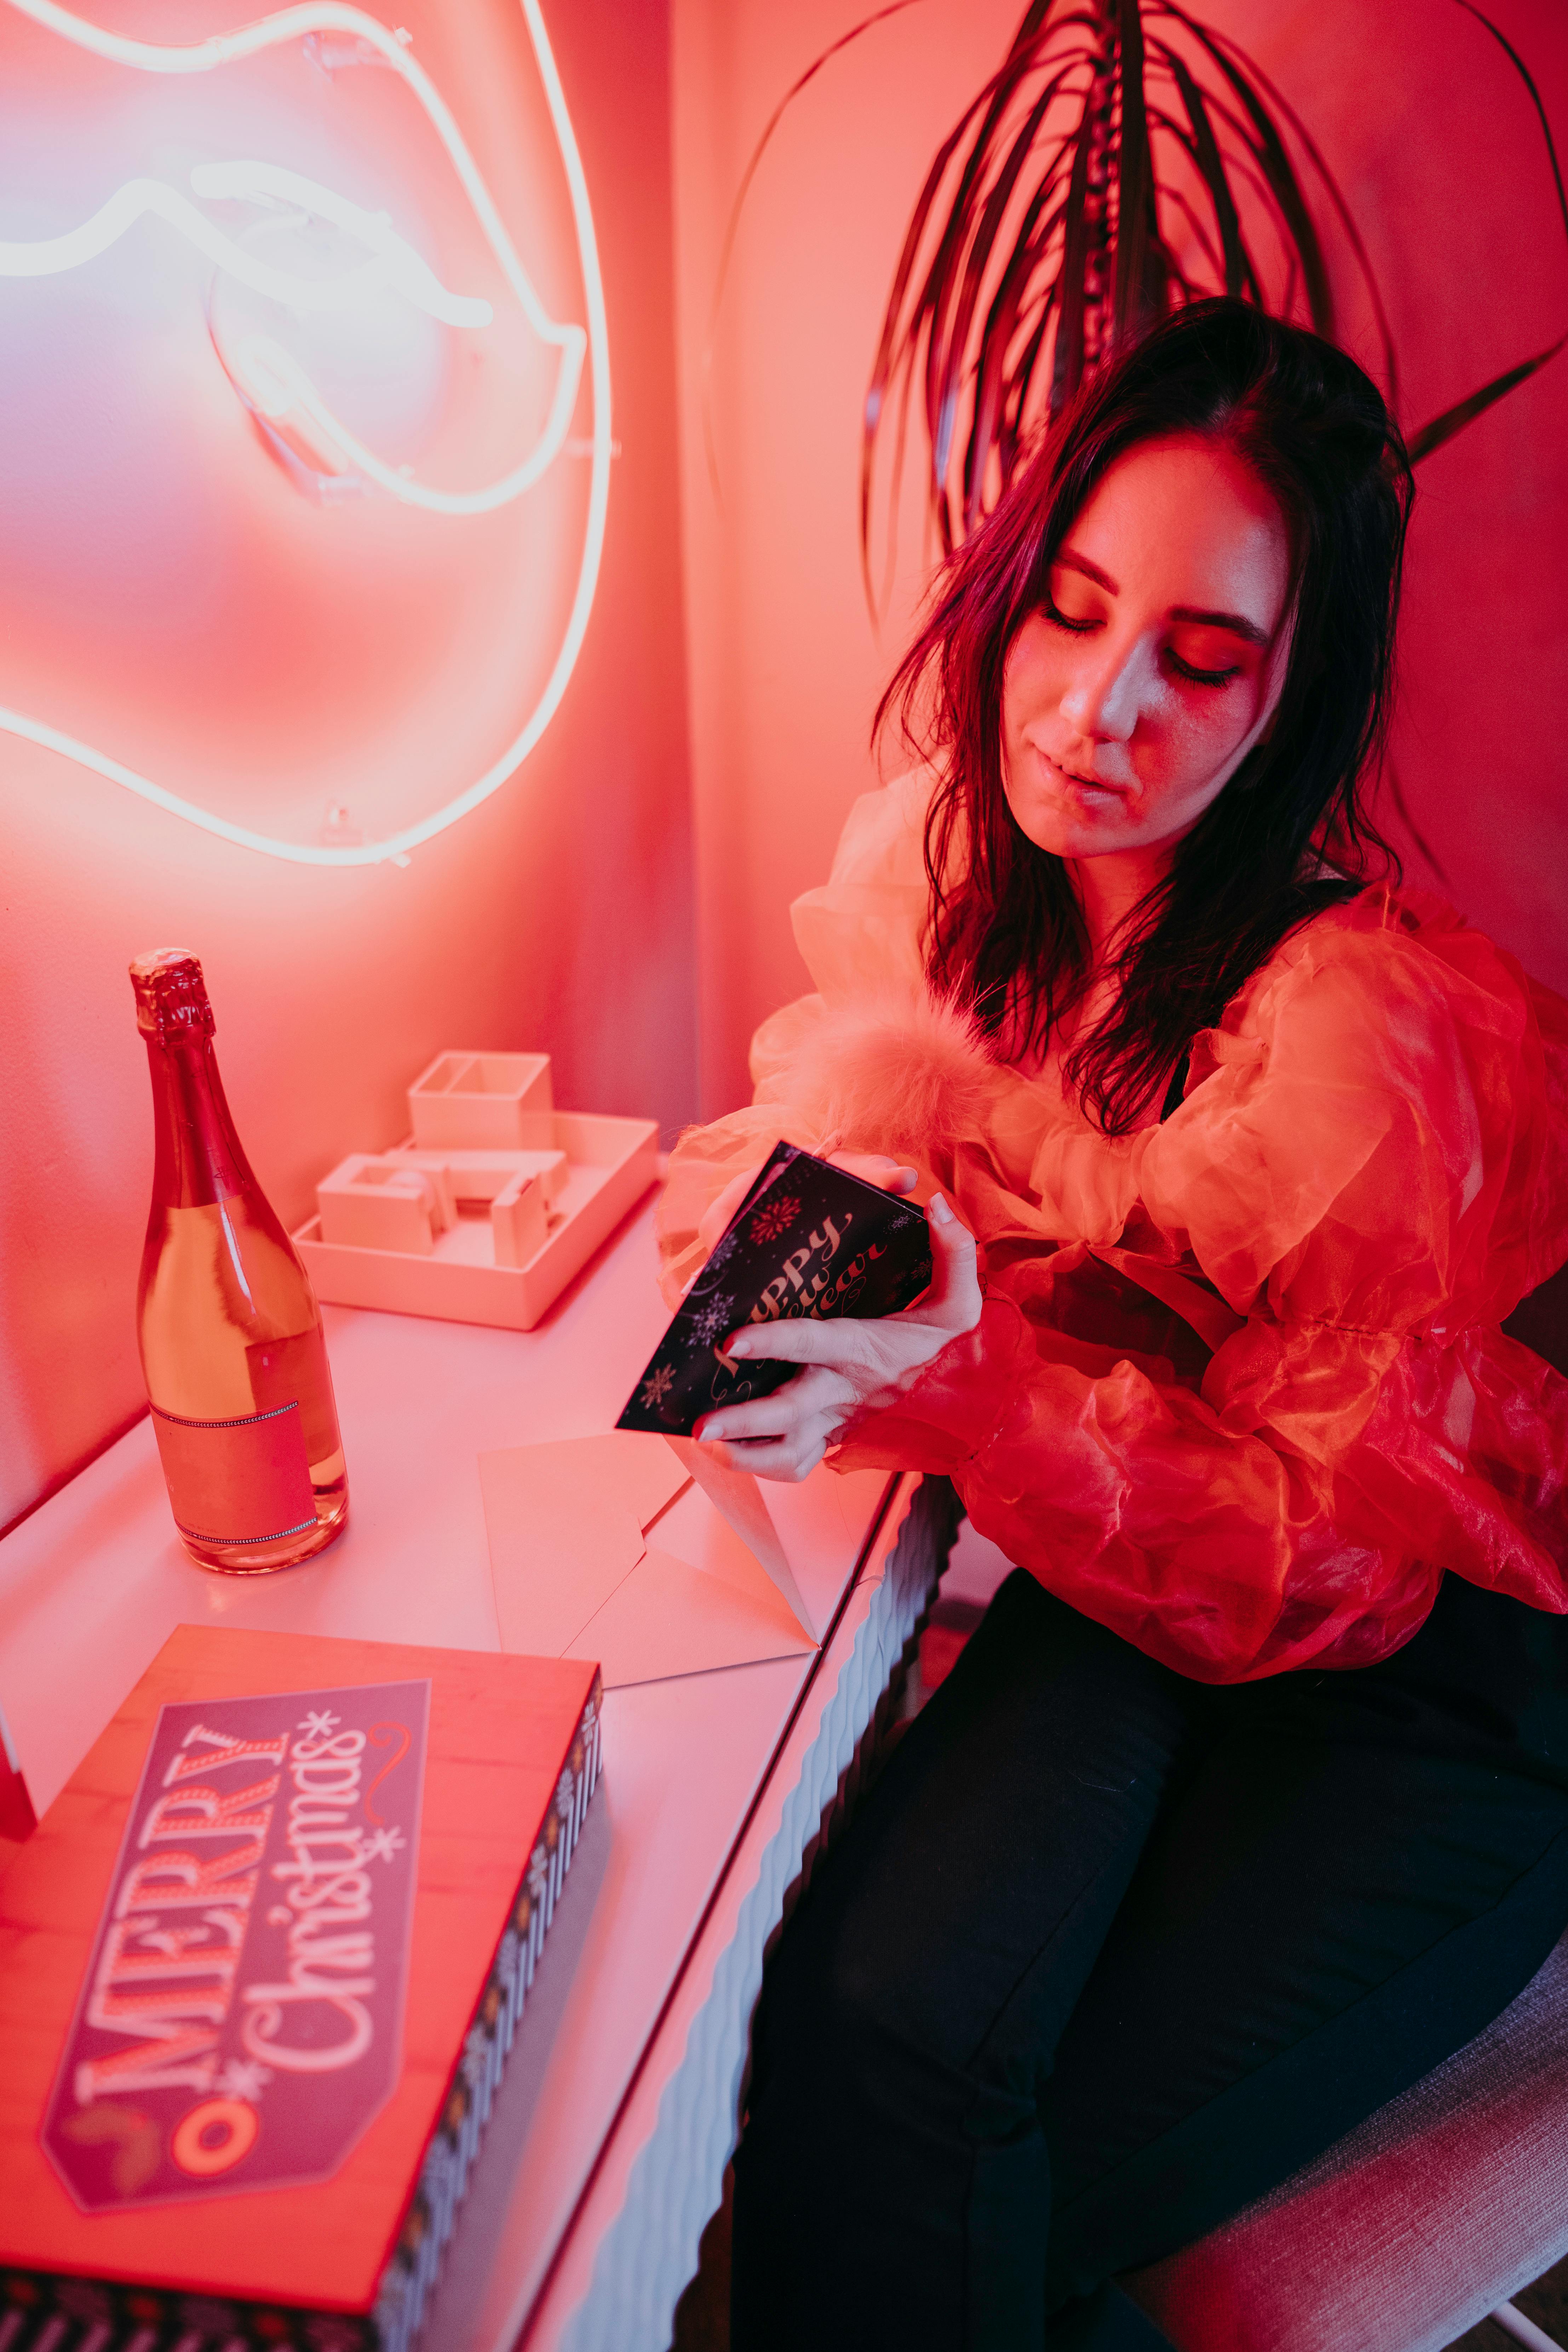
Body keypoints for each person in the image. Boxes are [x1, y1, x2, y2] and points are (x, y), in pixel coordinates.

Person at [655, 300, 1568, 2350]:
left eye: (1202, 657)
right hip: (1136, 1582)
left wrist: (968, 1391)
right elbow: (944, 1174)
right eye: (1068, 611)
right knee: (868, 2008)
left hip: (1421, 1679)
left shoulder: (1360, 1030)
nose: (1093, 708)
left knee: (948, 2129)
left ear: (1292, 700)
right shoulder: (1000, 900)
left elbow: (1328, 1565)